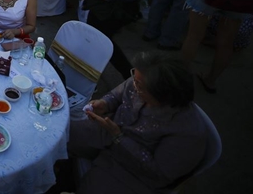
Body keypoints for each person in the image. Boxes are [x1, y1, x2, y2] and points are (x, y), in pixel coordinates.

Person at [68, 51, 206, 194]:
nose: (134, 85)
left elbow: (158, 174)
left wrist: (119, 137)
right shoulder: (141, 80)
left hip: (131, 171)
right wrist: (105, 103)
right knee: (59, 135)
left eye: (139, 86)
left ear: (161, 96)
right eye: (134, 78)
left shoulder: (188, 133)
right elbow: (117, 95)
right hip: (106, 133)